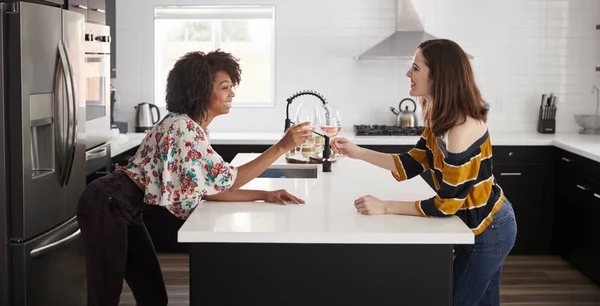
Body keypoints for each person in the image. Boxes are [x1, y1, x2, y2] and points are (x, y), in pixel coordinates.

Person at [76, 50, 313, 306]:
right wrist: (281, 147)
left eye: (231, 86)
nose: (232, 93)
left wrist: (264, 195)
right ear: (201, 92)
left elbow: (206, 188)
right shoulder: (184, 130)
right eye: (225, 87)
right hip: (107, 203)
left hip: (125, 205)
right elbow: (229, 180)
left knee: (154, 297)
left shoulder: (191, 127)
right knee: (104, 298)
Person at [331, 39, 517, 306]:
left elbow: (447, 205)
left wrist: (385, 206)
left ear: (438, 76)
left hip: (490, 228)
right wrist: (356, 151)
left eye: (415, 68)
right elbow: (411, 163)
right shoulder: (440, 119)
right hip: (474, 223)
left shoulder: (461, 129)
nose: (408, 74)